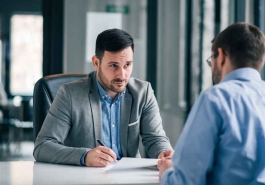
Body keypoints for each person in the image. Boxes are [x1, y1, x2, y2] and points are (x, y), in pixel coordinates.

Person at [34, 28, 173, 167]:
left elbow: (155, 139)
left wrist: (163, 151)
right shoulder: (69, 94)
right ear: (96, 62)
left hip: (129, 177)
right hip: (86, 177)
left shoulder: (143, 92)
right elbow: (43, 146)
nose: (122, 75)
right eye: (113, 65)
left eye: (127, 65)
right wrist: (85, 156)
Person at [158, 23, 265, 184]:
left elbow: (186, 181)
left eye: (211, 59)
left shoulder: (215, 98)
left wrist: (167, 173)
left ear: (221, 56)